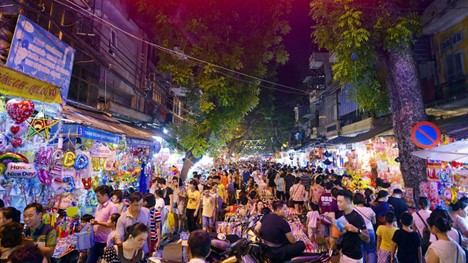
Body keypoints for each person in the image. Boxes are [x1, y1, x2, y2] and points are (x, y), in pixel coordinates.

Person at [336, 189, 370, 263]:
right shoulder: (344, 214)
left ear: (348, 202)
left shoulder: (357, 217)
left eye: (340, 202)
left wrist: (357, 230)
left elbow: (367, 239)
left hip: (354, 257)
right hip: (344, 253)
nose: (337, 204)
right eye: (337, 201)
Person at [88, 185, 118, 263]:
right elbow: (97, 219)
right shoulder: (99, 205)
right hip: (96, 239)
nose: (97, 198)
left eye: (98, 196)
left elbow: (112, 224)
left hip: (106, 242)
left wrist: (97, 223)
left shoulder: (112, 207)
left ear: (105, 195)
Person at [353, 193, 376, 263]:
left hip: (359, 231)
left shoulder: (353, 210)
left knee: (361, 249)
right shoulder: (370, 210)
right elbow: (374, 222)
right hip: (370, 231)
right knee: (371, 250)